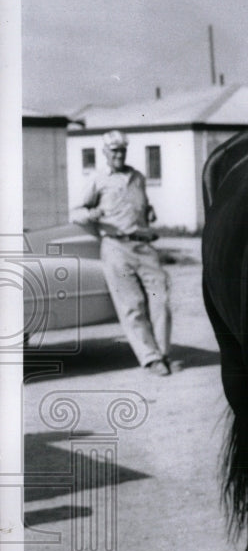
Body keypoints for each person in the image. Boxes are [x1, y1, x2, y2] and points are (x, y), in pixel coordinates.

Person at [70, 130, 172, 376]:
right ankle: (151, 359)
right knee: (133, 305)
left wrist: (149, 212)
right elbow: (76, 212)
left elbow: (141, 206)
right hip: (116, 248)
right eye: (114, 150)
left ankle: (164, 352)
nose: (119, 154)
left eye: (122, 150)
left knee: (162, 300)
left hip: (144, 246)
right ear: (105, 153)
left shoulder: (137, 177)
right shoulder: (98, 179)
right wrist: (90, 216)